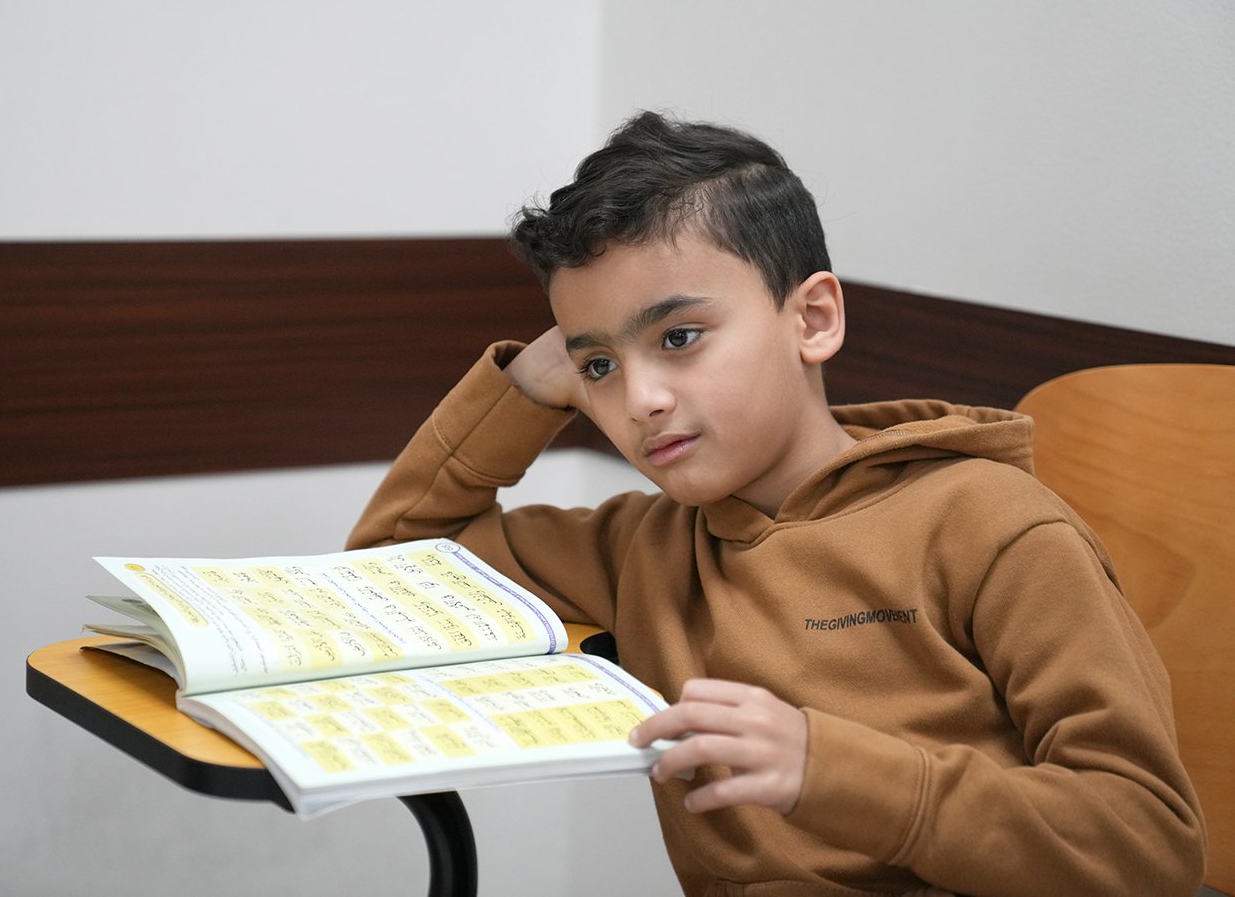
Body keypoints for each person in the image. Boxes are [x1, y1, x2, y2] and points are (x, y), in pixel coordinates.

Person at [347, 111, 1206, 896]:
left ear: (813, 319)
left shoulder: (991, 525)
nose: (638, 400)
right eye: (598, 366)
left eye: (678, 337)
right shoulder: (638, 547)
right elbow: (394, 565)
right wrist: (523, 389)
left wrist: (829, 770)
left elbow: (1148, 848)